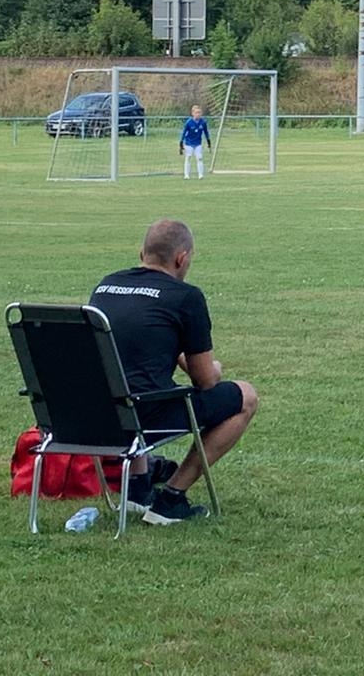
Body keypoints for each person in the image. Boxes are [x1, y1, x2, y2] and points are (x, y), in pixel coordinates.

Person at [87, 219, 259, 524]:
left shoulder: (106, 285)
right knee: (246, 396)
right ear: (182, 258)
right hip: (143, 414)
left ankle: (137, 490)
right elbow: (205, 381)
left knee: (131, 381)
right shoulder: (185, 297)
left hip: (94, 414)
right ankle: (171, 498)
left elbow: (129, 345)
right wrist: (216, 368)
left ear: (142, 253)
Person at [179, 105, 211, 180]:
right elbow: (184, 133)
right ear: (192, 113)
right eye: (196, 112)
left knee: (199, 158)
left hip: (198, 143)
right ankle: (186, 175)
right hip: (189, 143)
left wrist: (208, 142)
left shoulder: (203, 122)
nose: (198, 114)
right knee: (188, 157)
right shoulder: (189, 122)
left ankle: (200, 175)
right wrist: (181, 142)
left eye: (199, 112)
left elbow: (206, 132)